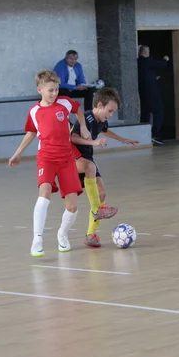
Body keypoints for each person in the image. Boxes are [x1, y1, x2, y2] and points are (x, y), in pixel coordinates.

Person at [8, 70, 91, 257]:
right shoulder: (34, 111)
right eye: (50, 90)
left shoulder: (64, 103)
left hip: (66, 159)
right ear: (40, 90)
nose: (54, 93)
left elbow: (78, 111)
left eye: (57, 89)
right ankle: (37, 239)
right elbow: (31, 132)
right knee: (44, 193)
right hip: (46, 157)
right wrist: (18, 153)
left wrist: (84, 128)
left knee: (72, 207)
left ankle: (62, 234)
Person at [69, 87, 140, 247]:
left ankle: (90, 235)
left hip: (88, 158)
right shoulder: (86, 118)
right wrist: (94, 142)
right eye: (110, 111)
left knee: (101, 194)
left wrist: (123, 139)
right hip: (74, 158)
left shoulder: (101, 120)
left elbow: (105, 131)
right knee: (89, 169)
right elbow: (73, 138)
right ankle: (97, 210)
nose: (110, 115)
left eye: (113, 112)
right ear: (99, 105)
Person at [137, 45, 169, 145]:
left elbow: (146, 74)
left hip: (143, 92)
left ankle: (144, 135)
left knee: (145, 113)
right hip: (152, 92)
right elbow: (162, 65)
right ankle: (155, 135)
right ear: (146, 53)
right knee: (158, 111)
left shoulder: (138, 62)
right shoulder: (147, 61)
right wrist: (166, 59)